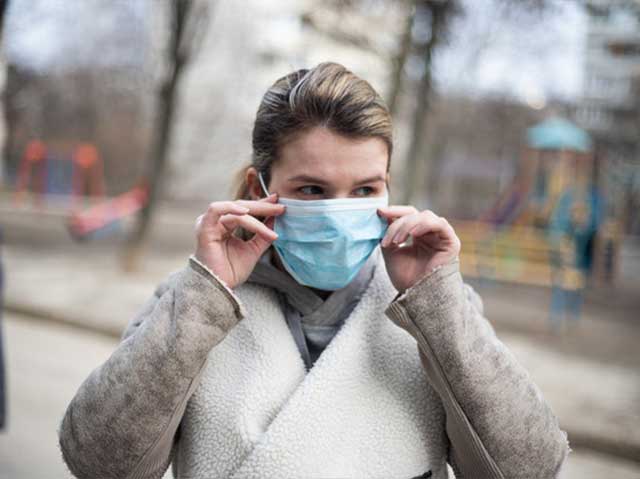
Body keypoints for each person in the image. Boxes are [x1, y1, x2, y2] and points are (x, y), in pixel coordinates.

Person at [58, 62, 569, 479]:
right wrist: (206, 294)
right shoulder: (192, 300)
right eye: (312, 190)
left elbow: (531, 467)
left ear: (388, 187)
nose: (339, 215)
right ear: (260, 190)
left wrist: (437, 304)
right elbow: (98, 463)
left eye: (365, 189)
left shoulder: (434, 307)